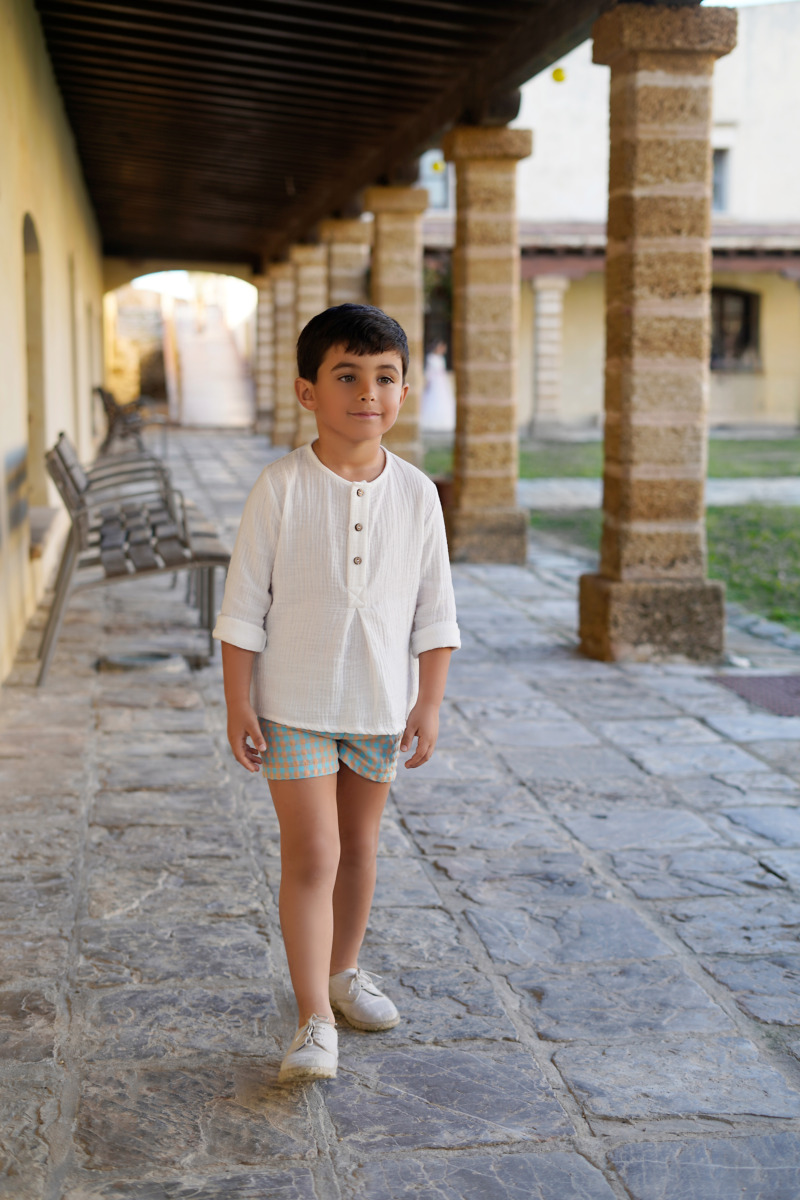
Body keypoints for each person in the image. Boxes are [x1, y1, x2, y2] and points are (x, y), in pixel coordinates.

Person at [213, 304, 460, 1083]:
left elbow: (436, 612)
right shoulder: (281, 487)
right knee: (314, 851)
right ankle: (313, 1017)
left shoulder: (418, 494)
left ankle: (344, 972)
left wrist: (428, 702)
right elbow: (242, 607)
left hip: (379, 706)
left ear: (404, 392)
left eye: (384, 377)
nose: (367, 393)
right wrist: (238, 700)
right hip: (293, 704)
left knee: (359, 846)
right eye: (346, 376)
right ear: (307, 391)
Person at [420, 340, 455, 433]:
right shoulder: (430, 358)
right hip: (434, 382)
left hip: (441, 382)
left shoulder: (441, 358)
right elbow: (429, 372)